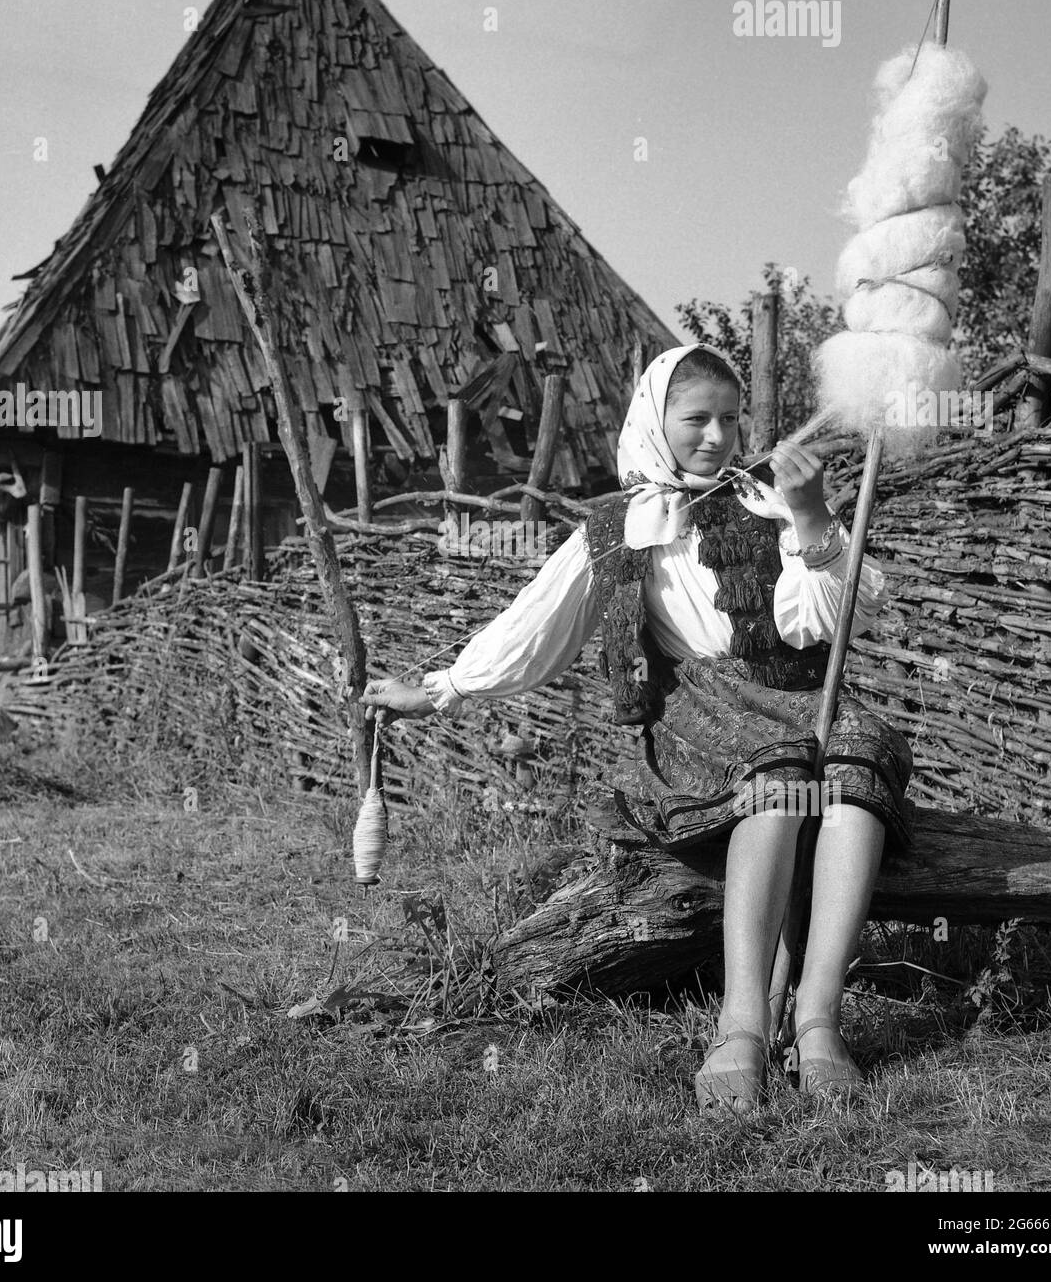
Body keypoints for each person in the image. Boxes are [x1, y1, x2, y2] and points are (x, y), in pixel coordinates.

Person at [360, 343, 913, 1114]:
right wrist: (443, 688)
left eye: (729, 418)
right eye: (696, 419)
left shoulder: (768, 501)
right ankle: (743, 1025)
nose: (717, 436)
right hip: (705, 714)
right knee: (781, 783)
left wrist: (813, 513)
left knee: (855, 786)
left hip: (801, 692)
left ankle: (819, 1019)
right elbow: (536, 625)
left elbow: (828, 614)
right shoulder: (622, 526)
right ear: (657, 420)